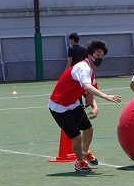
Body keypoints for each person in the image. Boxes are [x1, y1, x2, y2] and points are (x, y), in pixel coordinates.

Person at [49, 39, 122, 173]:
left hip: (72, 104)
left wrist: (95, 107)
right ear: (89, 55)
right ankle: (79, 162)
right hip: (59, 106)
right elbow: (87, 86)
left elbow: (90, 91)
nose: (100, 58)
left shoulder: (91, 71)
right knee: (76, 136)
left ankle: (85, 152)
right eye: (98, 55)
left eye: (102, 56)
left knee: (88, 129)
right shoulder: (83, 68)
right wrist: (107, 96)